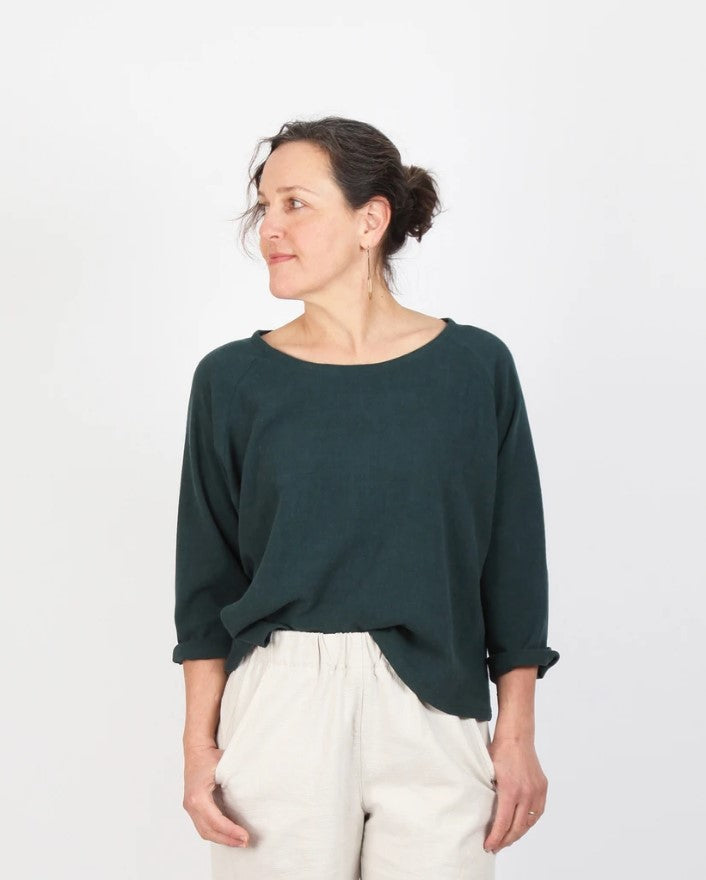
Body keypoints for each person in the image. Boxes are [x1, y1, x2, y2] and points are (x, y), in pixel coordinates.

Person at [172, 116, 560, 880]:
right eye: (264, 206)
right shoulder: (232, 381)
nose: (269, 229)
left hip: (436, 704)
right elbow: (206, 584)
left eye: (295, 203)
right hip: (281, 705)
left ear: (370, 220)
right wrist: (198, 746)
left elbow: (513, 565)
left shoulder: (474, 369)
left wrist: (516, 734)